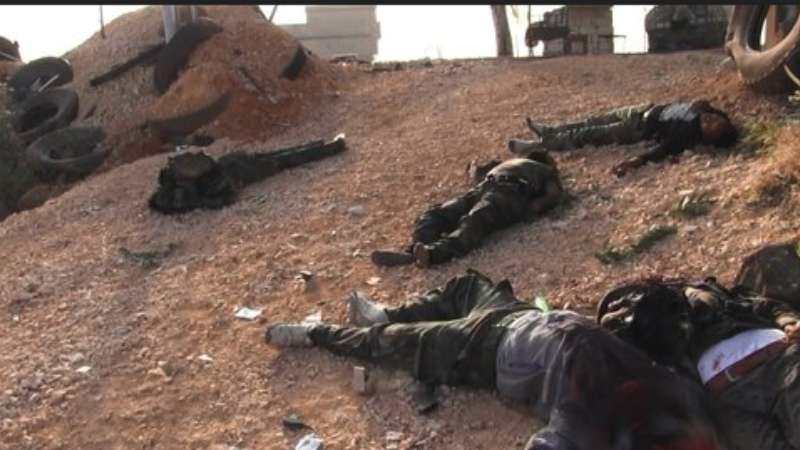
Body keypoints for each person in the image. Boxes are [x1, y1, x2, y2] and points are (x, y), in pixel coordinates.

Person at [265, 270, 726, 450]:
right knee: (467, 285)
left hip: (486, 347)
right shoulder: (679, 396)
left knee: (389, 344)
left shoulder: (596, 417)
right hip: (521, 315)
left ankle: (315, 333)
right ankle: (387, 312)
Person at [597, 277, 800, 450]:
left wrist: (788, 321)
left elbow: (763, 305)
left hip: (779, 366)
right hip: (729, 403)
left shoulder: (709, 302)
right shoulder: (657, 353)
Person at [370, 150, 563, 268]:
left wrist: (529, 209)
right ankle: (416, 250)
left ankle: (432, 254)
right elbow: (478, 172)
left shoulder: (543, 171)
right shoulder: (513, 164)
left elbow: (553, 195)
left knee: (473, 221)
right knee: (436, 213)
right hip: (484, 188)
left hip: (509, 193)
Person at [511, 99, 738, 177]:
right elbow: (704, 105)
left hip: (638, 127)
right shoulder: (714, 114)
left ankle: (537, 145)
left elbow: (662, 150)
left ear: (707, 138)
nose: (711, 120)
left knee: (589, 134)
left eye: (711, 126)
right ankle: (549, 130)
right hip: (644, 109)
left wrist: (635, 161)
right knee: (591, 121)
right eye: (716, 120)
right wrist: (704, 107)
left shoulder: (686, 135)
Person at [149, 135, 345, 214]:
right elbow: (224, 198)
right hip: (244, 170)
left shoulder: (179, 182)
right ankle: (332, 147)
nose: (195, 154)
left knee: (285, 156)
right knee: (287, 159)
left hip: (235, 164)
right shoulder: (206, 190)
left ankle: (324, 145)